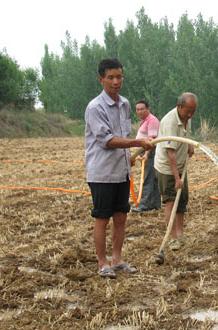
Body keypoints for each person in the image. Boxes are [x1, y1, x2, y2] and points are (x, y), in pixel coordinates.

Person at [85, 58, 153, 279]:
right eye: (111, 77)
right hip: (102, 172)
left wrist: (129, 156)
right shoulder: (95, 107)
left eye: (119, 77)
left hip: (121, 171)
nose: (115, 82)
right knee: (102, 218)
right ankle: (103, 262)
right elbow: (108, 140)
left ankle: (117, 259)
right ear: (101, 79)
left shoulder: (124, 104)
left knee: (121, 216)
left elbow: (122, 135)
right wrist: (137, 144)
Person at [154, 93, 197, 251]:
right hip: (167, 167)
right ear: (179, 106)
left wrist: (189, 146)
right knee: (171, 201)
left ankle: (181, 235)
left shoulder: (187, 117)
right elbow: (170, 153)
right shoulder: (170, 122)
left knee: (182, 200)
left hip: (180, 164)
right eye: (187, 111)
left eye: (193, 111)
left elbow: (186, 136)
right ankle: (173, 238)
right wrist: (177, 178)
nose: (190, 114)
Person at [132, 100, 161, 212]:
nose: (139, 111)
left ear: (148, 109)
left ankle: (144, 204)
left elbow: (152, 140)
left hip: (149, 153)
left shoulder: (152, 120)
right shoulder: (144, 121)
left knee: (147, 178)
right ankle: (155, 204)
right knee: (152, 178)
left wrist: (147, 154)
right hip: (144, 153)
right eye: (137, 109)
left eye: (141, 109)